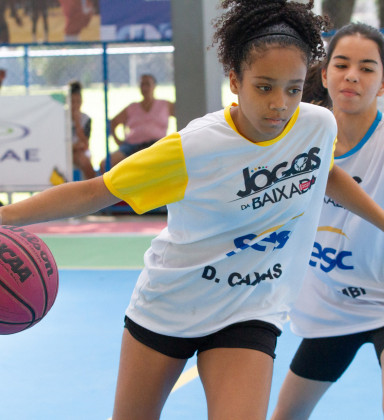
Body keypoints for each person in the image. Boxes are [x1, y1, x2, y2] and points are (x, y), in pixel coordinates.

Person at [2, 2, 384, 419]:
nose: (280, 104)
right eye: (264, 87)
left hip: (249, 309)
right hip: (169, 306)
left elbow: (323, 170)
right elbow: (94, 192)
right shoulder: (193, 149)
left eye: (293, 89)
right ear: (235, 80)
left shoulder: (316, 125)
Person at [271, 22, 384, 420]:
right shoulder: (295, 138)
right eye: (342, 64)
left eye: (368, 68)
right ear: (323, 74)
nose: (352, 75)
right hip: (329, 305)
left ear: (383, 84)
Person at [99, 73, 175, 173]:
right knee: (105, 164)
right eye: (142, 84)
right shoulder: (132, 107)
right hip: (132, 145)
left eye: (147, 84)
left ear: (154, 86)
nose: (144, 88)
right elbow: (113, 122)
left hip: (158, 144)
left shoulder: (165, 104)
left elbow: (184, 116)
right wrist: (119, 142)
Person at [69, 80, 95, 179]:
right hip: (67, 151)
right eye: (72, 102)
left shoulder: (86, 119)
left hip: (79, 152)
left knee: (85, 161)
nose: (75, 105)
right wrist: (74, 147)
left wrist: (77, 122)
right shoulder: (61, 118)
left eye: (78, 101)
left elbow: (84, 144)